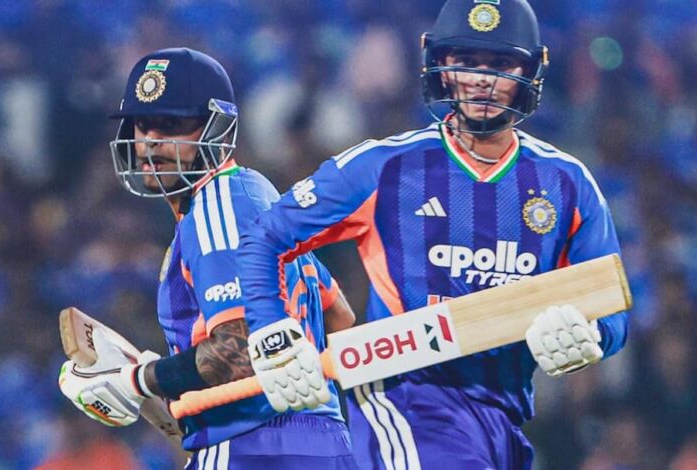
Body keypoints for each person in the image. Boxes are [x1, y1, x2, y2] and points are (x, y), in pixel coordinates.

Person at [232, 1, 629, 468]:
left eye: (500, 64)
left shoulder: (568, 183)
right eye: (467, 61)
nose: (482, 79)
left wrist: (589, 336)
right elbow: (265, 237)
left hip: (505, 419)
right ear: (441, 66)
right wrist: (272, 330)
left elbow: (612, 303)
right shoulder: (386, 166)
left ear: (529, 72)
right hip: (405, 399)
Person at [58, 47, 359, 469]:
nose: (151, 140)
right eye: (142, 124)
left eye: (171, 125)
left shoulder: (218, 206)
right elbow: (339, 316)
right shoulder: (258, 197)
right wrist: (173, 375)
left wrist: (136, 380)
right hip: (326, 445)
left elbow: (240, 350)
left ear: (216, 128)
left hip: (252, 446)